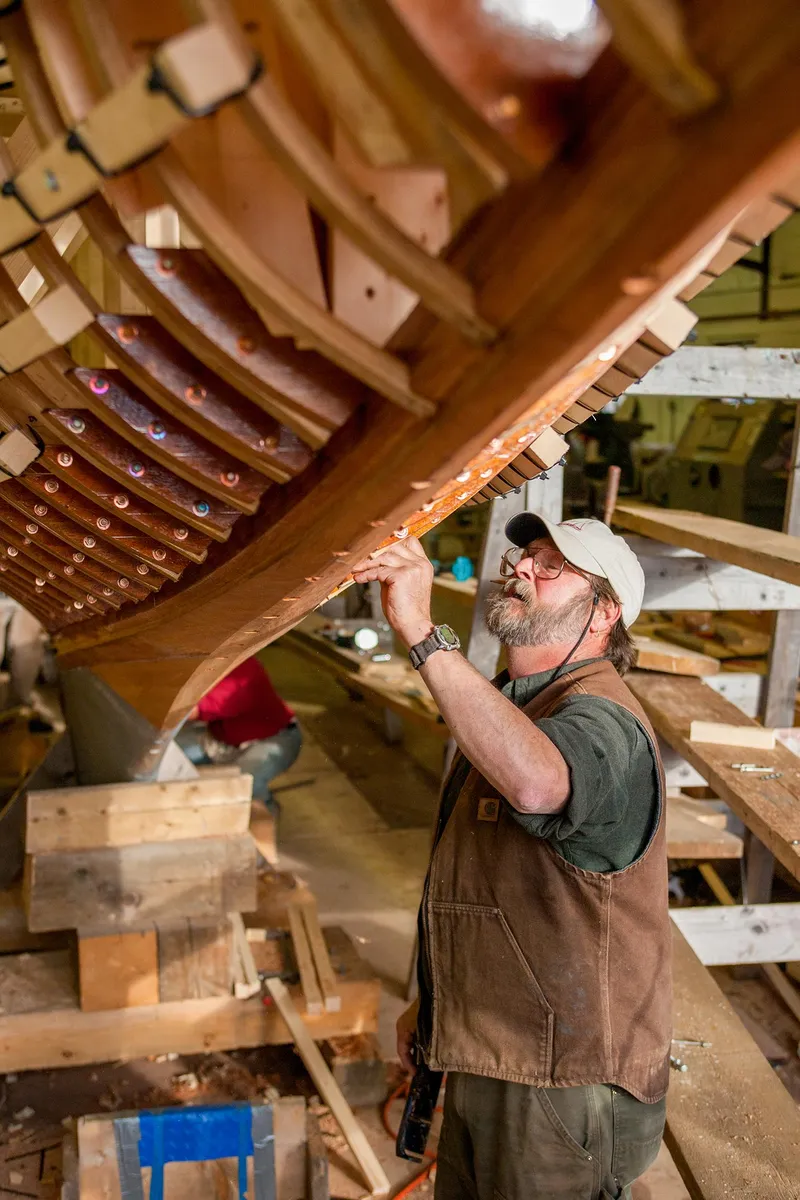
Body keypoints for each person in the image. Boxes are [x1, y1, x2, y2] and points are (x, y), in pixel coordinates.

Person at [351, 514, 671, 1200]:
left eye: (552, 566)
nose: (522, 567)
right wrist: (436, 1005)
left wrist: (419, 629)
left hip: (565, 1083)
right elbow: (489, 886)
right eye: (525, 555)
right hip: (499, 1050)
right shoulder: (517, 703)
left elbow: (539, 783)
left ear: (603, 614)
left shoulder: (604, 719)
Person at [177, 657, 302, 820]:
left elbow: (195, 709)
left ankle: (266, 819)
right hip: (221, 738)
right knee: (163, 757)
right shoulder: (206, 662)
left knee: (246, 784)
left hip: (272, 738)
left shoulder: (243, 669)